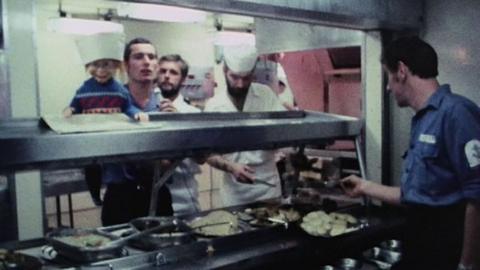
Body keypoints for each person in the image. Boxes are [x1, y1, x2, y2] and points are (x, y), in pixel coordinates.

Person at [341, 36, 480, 270]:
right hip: (420, 242)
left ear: (402, 71)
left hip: (446, 247)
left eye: (388, 77)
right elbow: (416, 194)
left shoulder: (457, 113)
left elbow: (478, 195)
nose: (387, 87)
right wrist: (364, 187)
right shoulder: (422, 120)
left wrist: (467, 264)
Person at [63, 33, 148, 206]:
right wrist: (69, 110)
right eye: (96, 65)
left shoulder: (119, 90)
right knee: (92, 168)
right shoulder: (84, 89)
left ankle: (121, 189)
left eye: (106, 65)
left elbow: (128, 107)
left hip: (114, 137)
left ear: (116, 66)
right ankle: (95, 195)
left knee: (118, 167)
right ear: (88, 65)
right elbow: (75, 105)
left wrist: (137, 114)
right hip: (91, 137)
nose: (101, 70)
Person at [101, 38, 174, 226]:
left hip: (158, 195)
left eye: (151, 57)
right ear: (126, 65)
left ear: (157, 65)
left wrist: (174, 124)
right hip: (120, 197)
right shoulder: (111, 103)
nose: (146, 62)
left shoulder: (165, 107)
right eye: (138, 57)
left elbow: (170, 161)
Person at [205, 45, 285, 207]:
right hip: (234, 191)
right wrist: (231, 167)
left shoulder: (265, 95)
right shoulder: (214, 106)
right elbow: (207, 153)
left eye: (247, 78)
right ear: (225, 71)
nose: (240, 84)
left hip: (268, 185)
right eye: (234, 77)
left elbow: (284, 132)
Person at [156, 54, 202, 216]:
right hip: (152, 196)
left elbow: (202, 157)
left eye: (173, 72)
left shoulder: (193, 114)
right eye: (162, 71)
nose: (167, 76)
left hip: (184, 195)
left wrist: (179, 122)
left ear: (183, 80)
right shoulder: (144, 109)